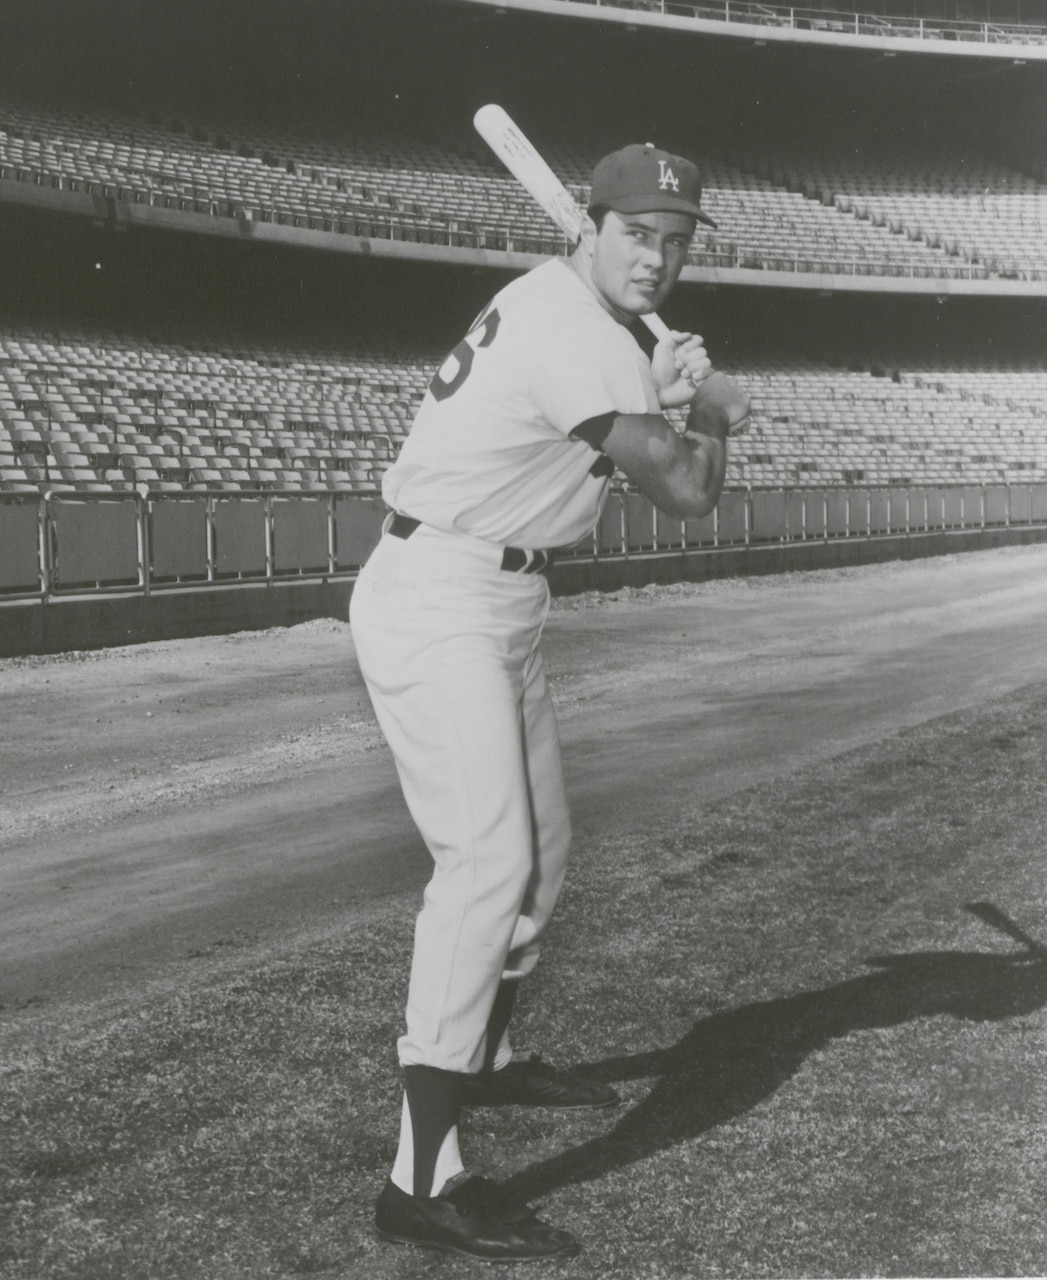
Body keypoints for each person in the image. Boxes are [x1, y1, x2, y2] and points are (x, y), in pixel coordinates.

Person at [349, 140, 751, 1262]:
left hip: (503, 596)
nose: (657, 260)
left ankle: (483, 1055)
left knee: (544, 857)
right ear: (591, 227)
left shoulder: (573, 313)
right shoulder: (571, 329)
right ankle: (419, 1177)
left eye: (675, 243)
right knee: (485, 862)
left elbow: (601, 443)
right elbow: (683, 493)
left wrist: (661, 393)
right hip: (441, 596)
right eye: (638, 236)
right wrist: (713, 411)